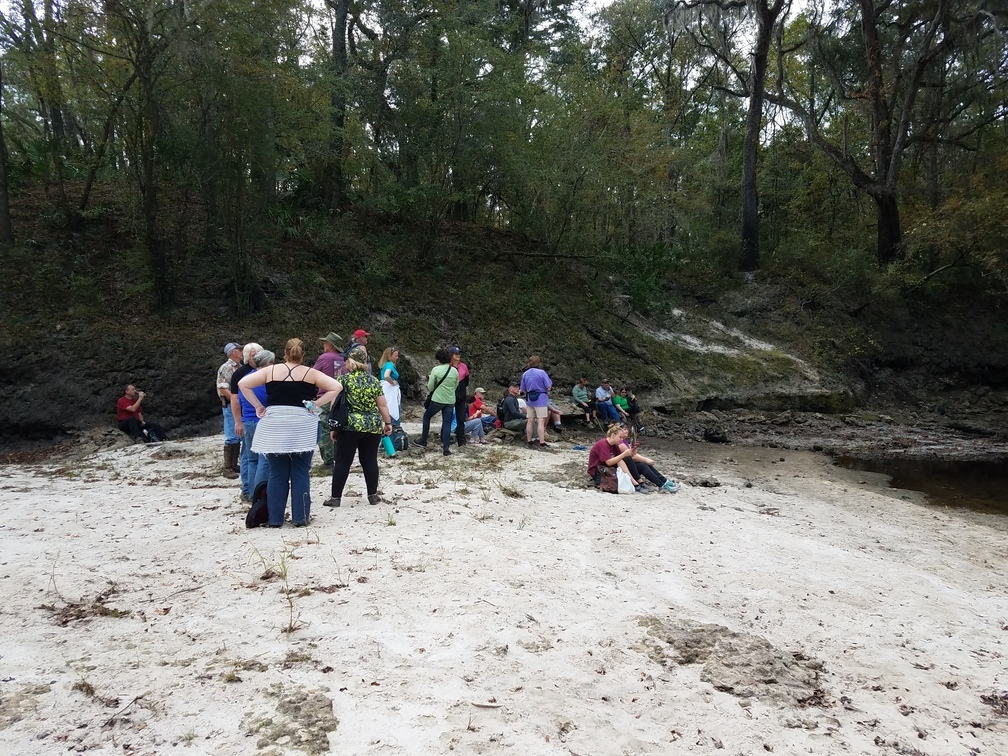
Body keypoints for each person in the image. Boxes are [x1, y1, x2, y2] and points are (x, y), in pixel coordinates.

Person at [239, 338, 341, 527]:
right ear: (302, 355)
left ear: (284, 353)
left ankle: (275, 518)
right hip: (302, 423)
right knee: (300, 471)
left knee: (277, 472)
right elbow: (337, 387)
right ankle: (300, 517)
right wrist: (316, 404)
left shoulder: (270, 371)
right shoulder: (311, 373)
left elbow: (243, 384)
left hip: (275, 423)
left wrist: (258, 406)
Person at [323, 346, 394, 508]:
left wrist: (333, 427)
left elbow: (335, 405)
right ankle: (373, 495)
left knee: (343, 461)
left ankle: (335, 498)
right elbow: (382, 405)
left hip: (348, 426)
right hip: (372, 426)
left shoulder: (342, 380)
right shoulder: (374, 381)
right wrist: (387, 422)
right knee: (369, 460)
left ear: (350, 362)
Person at [237, 350, 275, 499]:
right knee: (263, 460)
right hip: (263, 421)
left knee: (251, 459)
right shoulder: (267, 381)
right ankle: (260, 494)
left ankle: (251, 492)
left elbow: (240, 400)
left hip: (248, 420)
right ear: (268, 363)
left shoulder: (246, 378)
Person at [230, 343, 263, 499]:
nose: (255, 357)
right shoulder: (240, 374)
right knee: (248, 455)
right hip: (248, 418)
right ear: (246, 356)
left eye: (257, 354)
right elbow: (234, 399)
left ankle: (255, 490)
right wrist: (238, 421)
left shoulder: (264, 372)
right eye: (252, 355)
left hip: (260, 417)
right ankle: (247, 488)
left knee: (254, 457)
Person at [413, 347, 459, 456]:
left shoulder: (436, 370)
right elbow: (456, 385)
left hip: (438, 399)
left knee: (427, 417)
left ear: (438, 359)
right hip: (450, 400)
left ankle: (423, 440)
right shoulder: (454, 371)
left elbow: (430, 387)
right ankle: (446, 448)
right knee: (447, 423)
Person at [586, 424, 651, 494]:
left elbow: (623, 457)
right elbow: (608, 462)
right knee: (621, 460)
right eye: (620, 437)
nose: (621, 440)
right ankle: (635, 483)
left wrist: (633, 451)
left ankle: (639, 482)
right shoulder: (603, 444)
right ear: (613, 435)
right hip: (598, 470)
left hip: (607, 467)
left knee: (628, 460)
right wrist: (624, 454)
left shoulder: (614, 445)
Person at [613, 423, 678, 492]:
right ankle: (661, 484)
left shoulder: (623, 441)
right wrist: (645, 460)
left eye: (626, 429)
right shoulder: (620, 444)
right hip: (625, 467)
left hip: (629, 464)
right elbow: (631, 456)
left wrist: (636, 451)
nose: (626, 431)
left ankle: (664, 481)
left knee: (645, 465)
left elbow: (633, 454)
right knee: (643, 465)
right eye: (623, 430)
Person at [312, 332, 345, 466]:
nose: (323, 345)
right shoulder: (344, 358)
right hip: (341, 398)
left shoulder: (324, 357)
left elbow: (311, 375)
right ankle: (340, 456)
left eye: (325, 343)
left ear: (331, 346)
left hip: (326, 397)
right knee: (339, 427)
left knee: (325, 429)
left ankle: (328, 460)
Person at [217, 342, 244, 479]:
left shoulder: (239, 367)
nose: (241, 351)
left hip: (235, 404)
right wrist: (235, 398)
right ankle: (227, 467)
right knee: (232, 435)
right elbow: (222, 388)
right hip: (229, 404)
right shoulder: (227, 368)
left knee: (238, 434)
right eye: (239, 349)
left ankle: (233, 464)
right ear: (232, 352)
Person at [519, 355, 552, 449]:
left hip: (529, 398)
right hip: (540, 398)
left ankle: (529, 441)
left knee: (530, 420)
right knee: (541, 421)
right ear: (538, 363)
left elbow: (523, 389)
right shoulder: (542, 373)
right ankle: (542, 442)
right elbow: (548, 385)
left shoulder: (525, 374)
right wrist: (548, 391)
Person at [449, 346, 469, 448]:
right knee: (447, 417)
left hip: (461, 395)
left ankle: (461, 440)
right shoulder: (447, 366)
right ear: (451, 355)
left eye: (459, 354)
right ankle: (445, 438)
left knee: (461, 418)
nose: (458, 355)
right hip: (450, 394)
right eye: (456, 354)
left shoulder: (464, 366)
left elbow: (466, 382)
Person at [379, 346, 402, 425]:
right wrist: (392, 382)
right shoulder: (390, 365)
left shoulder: (385, 365)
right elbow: (386, 375)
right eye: (396, 355)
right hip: (390, 391)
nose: (397, 358)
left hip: (385, 390)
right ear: (390, 355)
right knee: (393, 409)